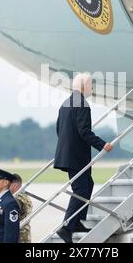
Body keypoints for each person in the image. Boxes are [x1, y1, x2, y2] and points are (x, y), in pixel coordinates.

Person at [54, 73, 112, 243]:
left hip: (68, 155)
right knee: (80, 190)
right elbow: (84, 131)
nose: (92, 88)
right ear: (83, 86)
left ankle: (78, 221)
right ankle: (66, 227)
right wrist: (102, 144)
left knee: (87, 185)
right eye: (91, 85)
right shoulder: (83, 104)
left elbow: (59, 129)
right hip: (77, 157)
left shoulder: (66, 103)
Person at [10, 173, 33, 243]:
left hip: (17, 237)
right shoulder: (25, 197)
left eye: (8, 184)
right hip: (25, 236)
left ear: (15, 185)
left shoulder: (17, 199)